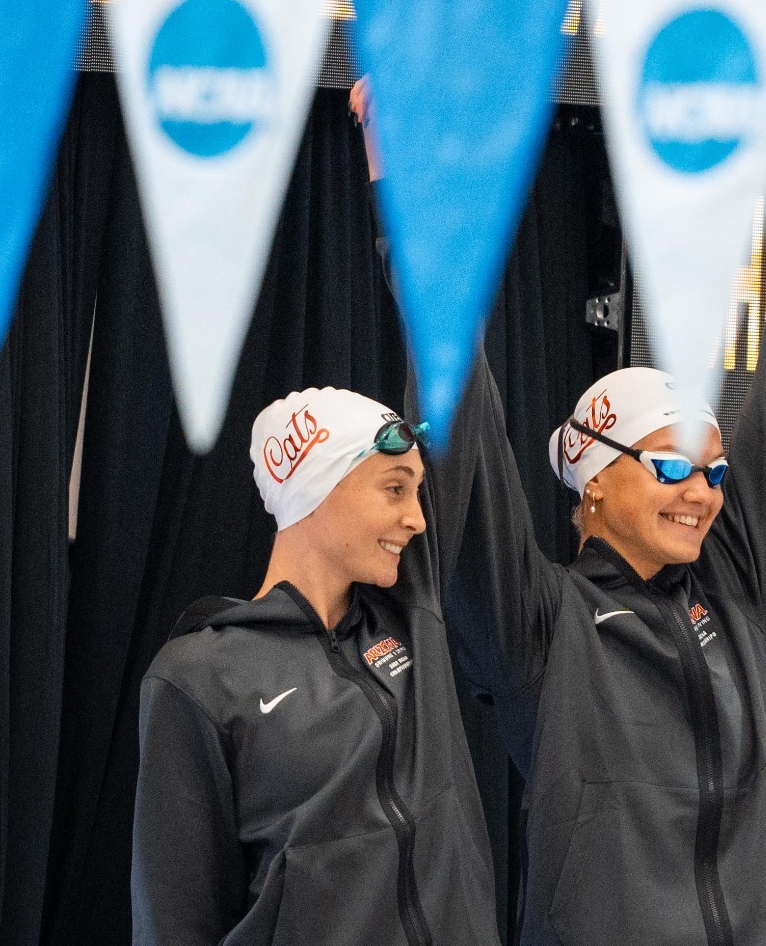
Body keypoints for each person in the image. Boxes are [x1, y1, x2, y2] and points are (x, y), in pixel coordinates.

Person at [444, 346, 766, 939]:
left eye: (715, 472)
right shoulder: (543, 626)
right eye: (671, 467)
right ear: (595, 479)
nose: (702, 494)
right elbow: (471, 469)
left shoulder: (731, 600)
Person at [130, 386, 499, 946]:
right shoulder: (199, 676)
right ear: (317, 490)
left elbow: (455, 390)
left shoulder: (409, 618)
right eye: (395, 489)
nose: (417, 519)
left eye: (418, 492)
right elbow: (175, 921)